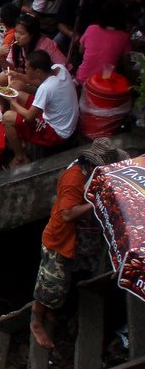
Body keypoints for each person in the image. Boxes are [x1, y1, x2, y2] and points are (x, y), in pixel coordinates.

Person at [30, 138, 129, 348]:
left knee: (69, 279)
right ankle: (37, 321)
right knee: (51, 286)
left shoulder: (92, 175)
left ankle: (51, 312)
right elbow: (67, 214)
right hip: (59, 238)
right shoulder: (73, 178)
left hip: (81, 237)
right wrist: (97, 201)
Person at [2, 49, 78, 166]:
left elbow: (29, 117)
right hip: (65, 121)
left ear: (37, 71)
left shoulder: (47, 87)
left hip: (57, 132)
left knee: (7, 117)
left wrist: (12, 101)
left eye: (27, 68)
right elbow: (39, 83)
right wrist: (18, 76)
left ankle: (20, 158)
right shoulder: (59, 69)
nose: (25, 70)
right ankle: (20, 139)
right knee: (19, 94)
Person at [0, 13, 68, 96]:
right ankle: (2, 108)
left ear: (32, 35)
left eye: (21, 33)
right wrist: (1, 58)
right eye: (16, 32)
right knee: (2, 77)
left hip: (45, 84)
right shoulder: (16, 45)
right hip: (27, 78)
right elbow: (10, 69)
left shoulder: (46, 45)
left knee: (19, 92)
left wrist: (20, 78)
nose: (17, 36)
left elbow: (59, 68)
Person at [76, 0, 132, 86]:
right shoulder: (124, 37)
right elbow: (126, 62)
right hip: (104, 83)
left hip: (82, 77)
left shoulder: (91, 28)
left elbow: (81, 50)